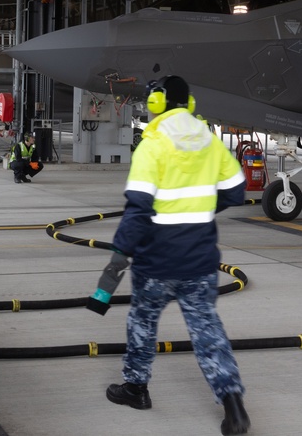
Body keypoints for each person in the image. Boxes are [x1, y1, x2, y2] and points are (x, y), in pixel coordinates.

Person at [102, 75, 250, 435]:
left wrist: (120, 252)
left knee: (142, 321)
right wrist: (199, 207)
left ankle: (136, 389)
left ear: (156, 103)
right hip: (199, 258)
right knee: (207, 329)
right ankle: (234, 406)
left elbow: (138, 209)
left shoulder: (152, 143)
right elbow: (235, 191)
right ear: (191, 103)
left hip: (157, 260)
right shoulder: (210, 140)